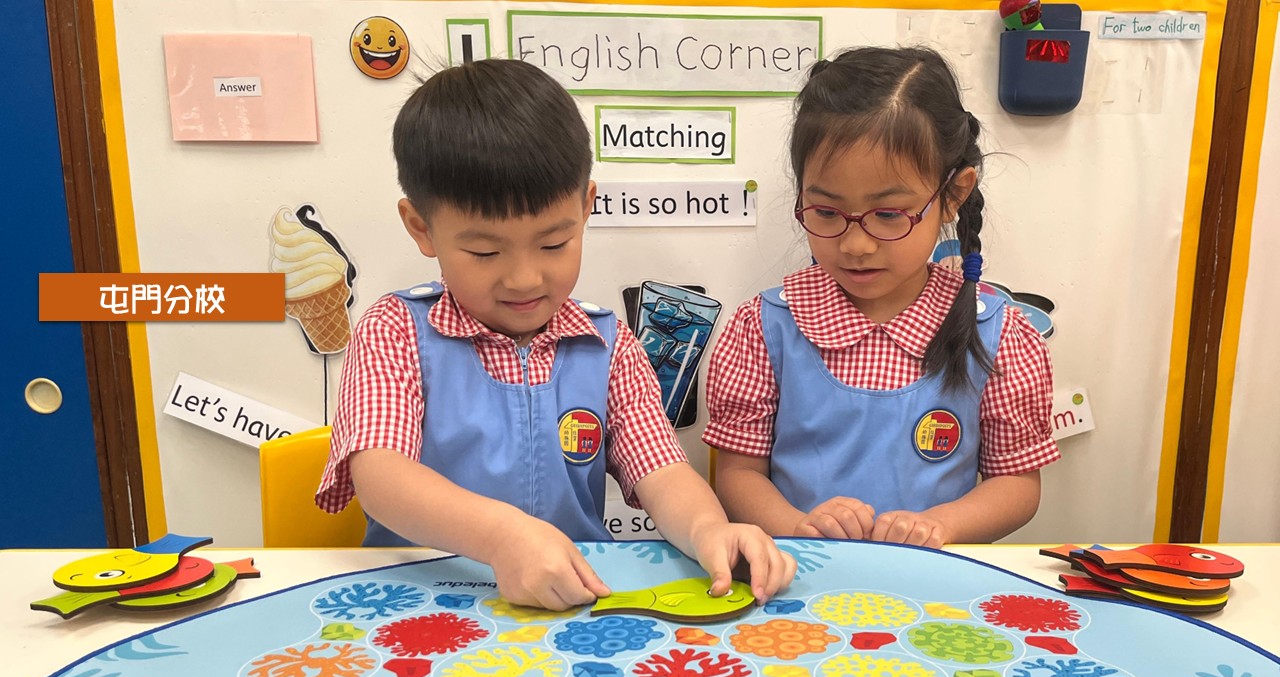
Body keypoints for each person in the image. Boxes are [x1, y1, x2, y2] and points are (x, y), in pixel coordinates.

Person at [315, 59, 795, 610]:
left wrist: (709, 528)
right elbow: (380, 477)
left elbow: (661, 469)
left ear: (586, 206)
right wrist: (500, 537)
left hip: (575, 603)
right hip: (421, 602)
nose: (525, 278)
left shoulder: (607, 345)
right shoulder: (394, 330)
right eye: (485, 252)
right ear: (421, 227)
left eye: (553, 244)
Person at [704, 47, 1060, 549]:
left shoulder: (998, 335)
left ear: (953, 195)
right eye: (826, 212)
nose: (855, 245)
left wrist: (944, 525)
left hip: (930, 579)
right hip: (800, 573)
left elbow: (1017, 484)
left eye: (889, 215)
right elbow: (738, 474)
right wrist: (797, 526)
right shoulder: (765, 328)